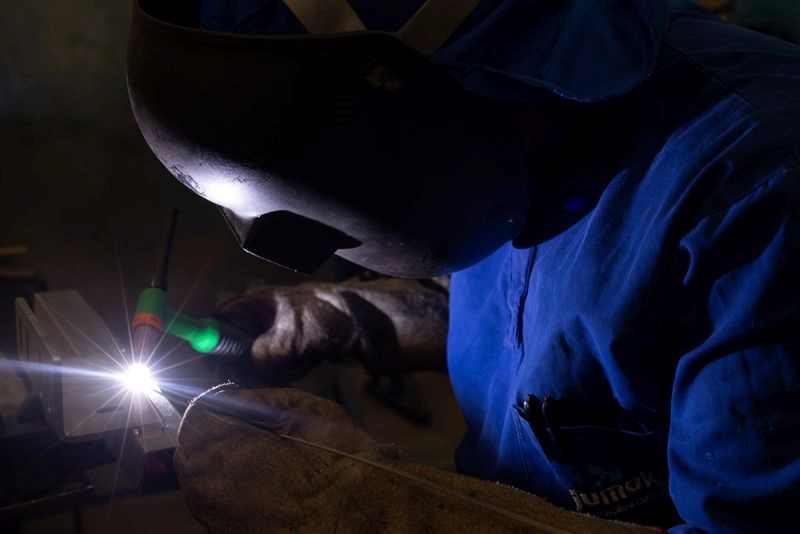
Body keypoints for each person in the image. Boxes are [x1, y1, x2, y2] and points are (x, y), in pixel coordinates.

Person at [127, 0, 800, 532]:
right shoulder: (505, 101)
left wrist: (365, 511)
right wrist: (337, 318)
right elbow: (559, 309)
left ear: (400, 93)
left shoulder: (758, 195)